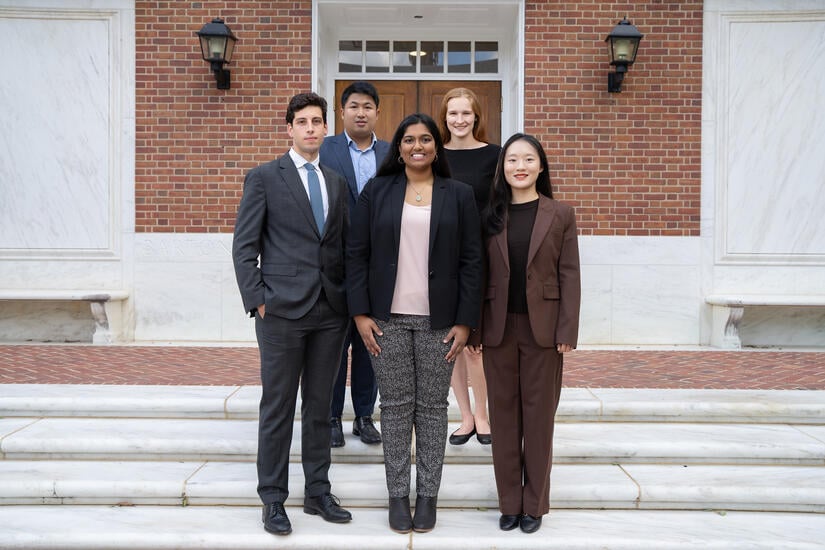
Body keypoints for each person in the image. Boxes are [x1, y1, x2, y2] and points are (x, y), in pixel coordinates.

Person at [346, 113, 482, 534]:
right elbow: (356, 253)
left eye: (425, 139)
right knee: (396, 408)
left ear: (436, 147)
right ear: (399, 147)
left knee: (433, 408)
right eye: (409, 140)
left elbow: (473, 261)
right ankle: (397, 495)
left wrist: (465, 322)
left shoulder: (458, 194)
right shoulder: (377, 190)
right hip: (386, 319)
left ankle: (428, 496)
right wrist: (361, 314)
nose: (417, 146)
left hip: (439, 322)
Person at [232, 92, 353, 536]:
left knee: (321, 407)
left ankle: (318, 492)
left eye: (317, 122)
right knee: (279, 406)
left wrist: (346, 300)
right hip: (280, 311)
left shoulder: (336, 182)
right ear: (289, 129)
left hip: (329, 312)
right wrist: (258, 298)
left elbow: (340, 246)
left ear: (325, 129)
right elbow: (245, 246)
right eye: (301, 121)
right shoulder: (265, 177)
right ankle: (273, 499)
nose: (310, 128)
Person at [468, 133, 581, 534]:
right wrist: (475, 329)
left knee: (538, 419)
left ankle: (534, 504)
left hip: (544, 331)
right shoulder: (489, 215)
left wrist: (568, 329)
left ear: (540, 166)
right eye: (512, 159)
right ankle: (509, 503)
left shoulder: (560, 214)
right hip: (498, 328)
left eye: (528, 159)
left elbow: (569, 274)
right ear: (503, 168)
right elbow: (478, 276)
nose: (520, 166)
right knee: (503, 418)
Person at [320, 81, 389, 448]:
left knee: (370, 344)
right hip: (334, 265)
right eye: (353, 106)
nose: (360, 112)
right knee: (333, 344)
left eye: (367, 106)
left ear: (377, 112)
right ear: (342, 112)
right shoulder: (324, 148)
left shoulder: (392, 152)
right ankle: (331, 417)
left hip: (378, 267)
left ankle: (364, 416)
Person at [438, 87, 501, 447]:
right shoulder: (435, 156)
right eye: (452, 113)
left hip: (480, 259)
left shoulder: (494, 155)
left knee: (476, 343)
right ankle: (464, 415)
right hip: (441, 261)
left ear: (476, 116)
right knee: (452, 342)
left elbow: (499, 208)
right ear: (444, 117)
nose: (459, 120)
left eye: (466, 113)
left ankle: (483, 414)